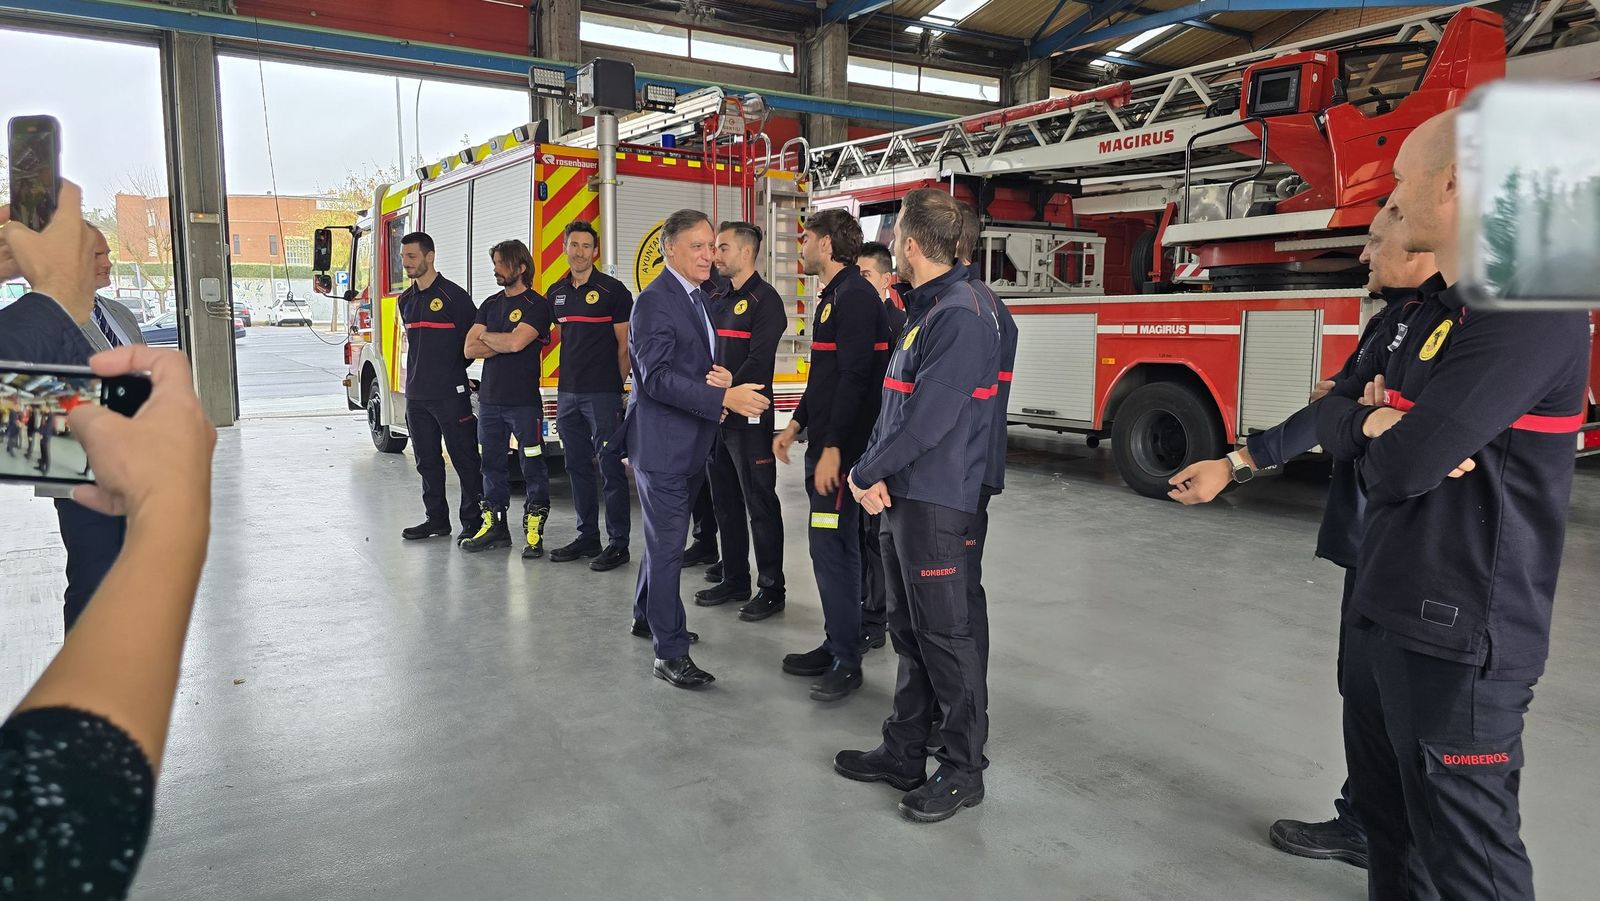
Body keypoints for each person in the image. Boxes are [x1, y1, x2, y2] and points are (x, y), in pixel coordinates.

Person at [1317, 110, 1590, 900]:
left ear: (1454, 183)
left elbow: (1401, 467)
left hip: (1460, 637)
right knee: (1391, 831)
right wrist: (1376, 419)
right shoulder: (1441, 307)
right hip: (1388, 609)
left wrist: (1392, 430)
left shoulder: (1530, 309)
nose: (1393, 202)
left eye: (1400, 181)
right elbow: (1341, 419)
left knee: (1467, 855)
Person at [1169, 202, 1433, 874]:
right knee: (1362, 691)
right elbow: (1333, 410)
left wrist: (1372, 413)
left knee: (1413, 714)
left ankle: (1416, 846)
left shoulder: (1467, 325)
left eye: (1377, 240)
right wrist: (1235, 464)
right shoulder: (1390, 322)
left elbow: (1423, 437)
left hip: (1419, 558)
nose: (1365, 255)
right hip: (1364, 541)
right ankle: (1363, 822)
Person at [1, 181, 217, 900]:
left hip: (110, 469)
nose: (92, 261)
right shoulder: (44, 309)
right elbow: (61, 812)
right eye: (81, 250)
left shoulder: (118, 312)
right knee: (93, 576)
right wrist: (173, 508)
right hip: (93, 480)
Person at [834, 187, 999, 823]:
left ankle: (963, 769)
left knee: (945, 636)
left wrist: (865, 470)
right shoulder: (930, 308)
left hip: (936, 500)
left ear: (907, 244)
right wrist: (875, 474)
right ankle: (904, 749)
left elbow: (931, 419)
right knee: (909, 630)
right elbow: (898, 405)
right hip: (906, 494)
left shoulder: (960, 313)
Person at [617, 209, 769, 689]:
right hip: (663, 445)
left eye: (712, 246)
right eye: (698, 247)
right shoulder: (655, 302)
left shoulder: (697, 296)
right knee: (667, 549)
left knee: (661, 541)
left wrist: (717, 378)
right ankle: (670, 652)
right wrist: (723, 397)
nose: (709, 255)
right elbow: (656, 379)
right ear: (670, 250)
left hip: (687, 440)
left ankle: (647, 616)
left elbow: (686, 363)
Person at [772, 208, 891, 702]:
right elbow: (824, 376)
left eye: (806, 239)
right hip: (825, 444)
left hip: (842, 454)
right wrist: (796, 426)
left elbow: (855, 380)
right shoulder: (834, 297)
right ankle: (836, 641)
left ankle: (847, 659)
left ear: (824, 245)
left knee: (835, 550)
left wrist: (834, 450)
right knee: (828, 550)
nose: (801, 247)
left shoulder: (856, 298)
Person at [693, 221, 788, 619]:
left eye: (723, 248)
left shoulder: (766, 300)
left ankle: (772, 588)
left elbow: (761, 359)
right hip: (718, 414)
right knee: (725, 502)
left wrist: (733, 385)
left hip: (749, 418)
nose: (715, 255)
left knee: (759, 502)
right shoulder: (719, 298)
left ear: (746, 253)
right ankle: (734, 578)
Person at [547, 220, 633, 572]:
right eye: (574, 245)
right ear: (565, 248)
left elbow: (625, 345)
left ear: (595, 252)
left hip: (602, 394)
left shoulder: (613, 291)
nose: (579, 252)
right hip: (567, 393)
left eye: (586, 246)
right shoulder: (556, 292)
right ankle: (587, 537)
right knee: (575, 466)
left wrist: (617, 387)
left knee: (611, 469)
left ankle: (618, 543)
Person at [956, 202, 1017, 691]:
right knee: (958, 594)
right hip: (970, 470)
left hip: (961, 475)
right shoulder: (982, 303)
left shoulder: (969, 309)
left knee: (957, 598)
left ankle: (963, 710)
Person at [461, 239, 555, 557]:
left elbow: (516, 344)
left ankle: (533, 531)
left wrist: (490, 336)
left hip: (523, 403)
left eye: (501, 263)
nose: (496, 269)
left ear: (520, 267)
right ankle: (496, 527)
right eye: (496, 263)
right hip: (489, 402)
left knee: (532, 464)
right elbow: (468, 349)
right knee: (491, 464)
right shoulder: (489, 304)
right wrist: (501, 339)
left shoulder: (538, 306)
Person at [393, 231, 484, 543]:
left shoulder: (454, 298)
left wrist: (455, 373)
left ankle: (473, 522)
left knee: (465, 459)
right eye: (404, 257)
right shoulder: (406, 301)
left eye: (412, 257)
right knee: (426, 461)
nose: (406, 263)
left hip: (450, 394)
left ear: (429, 257)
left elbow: (471, 344)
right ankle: (436, 521)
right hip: (416, 396)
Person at [855, 240, 905, 649]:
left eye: (867, 275)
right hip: (861, 440)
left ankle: (875, 618)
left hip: (881, 447)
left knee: (875, 537)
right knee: (858, 534)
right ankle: (864, 605)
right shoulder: (859, 320)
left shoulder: (898, 326)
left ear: (888, 279)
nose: (859, 283)